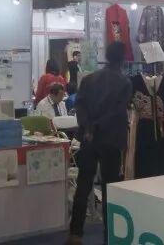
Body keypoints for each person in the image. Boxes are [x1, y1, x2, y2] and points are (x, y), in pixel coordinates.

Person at [68, 42, 132, 244]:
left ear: (106, 57)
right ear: (122, 59)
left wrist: (88, 128)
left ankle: (75, 233)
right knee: (109, 188)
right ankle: (109, 234)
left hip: (89, 139)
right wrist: (95, 127)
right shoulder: (124, 83)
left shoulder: (89, 79)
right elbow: (116, 113)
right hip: (111, 139)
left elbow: (80, 105)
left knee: (83, 185)